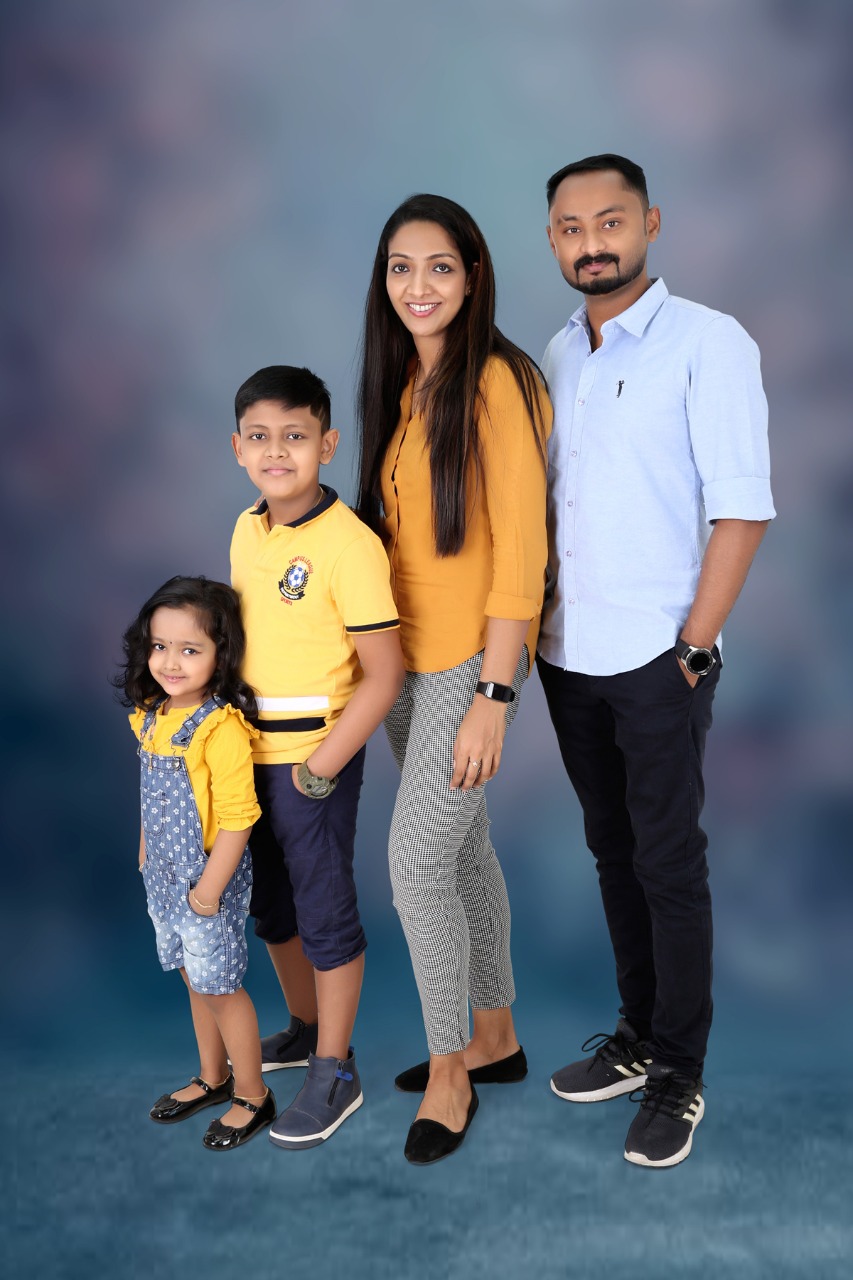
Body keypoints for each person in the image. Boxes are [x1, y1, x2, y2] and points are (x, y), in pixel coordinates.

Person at [537, 153, 775, 1168]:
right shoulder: (557, 354)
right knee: (611, 851)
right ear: (553, 241)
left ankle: (678, 1072)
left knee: (668, 863)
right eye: (571, 227)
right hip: (566, 653)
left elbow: (741, 507)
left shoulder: (708, 343)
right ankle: (636, 1034)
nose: (591, 242)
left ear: (649, 224)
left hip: (656, 657)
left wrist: (693, 648)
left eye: (610, 221)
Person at [356, 194, 552, 1164]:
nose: (418, 285)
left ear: (473, 276)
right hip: (405, 661)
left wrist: (493, 696)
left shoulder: (497, 382)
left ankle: (448, 1073)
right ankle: (495, 1036)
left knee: (415, 865)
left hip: (470, 663)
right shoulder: (407, 383)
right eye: (400, 267)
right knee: (464, 851)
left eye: (439, 266)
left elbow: (521, 550)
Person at [230, 364, 404, 1149]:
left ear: (326, 444)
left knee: (324, 912)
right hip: (246, 756)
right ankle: (304, 1028)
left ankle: (335, 1070)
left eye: (295, 436)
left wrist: (323, 765)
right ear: (238, 448)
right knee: (273, 908)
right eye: (260, 437)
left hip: (312, 762)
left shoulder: (350, 545)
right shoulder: (246, 529)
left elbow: (384, 675)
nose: (277, 452)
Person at [118, 575, 275, 1151]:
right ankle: (213, 1077)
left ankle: (253, 1094)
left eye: (190, 649)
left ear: (220, 654)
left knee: (222, 988)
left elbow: (239, 818)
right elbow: (152, 797)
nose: (170, 662)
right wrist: (145, 851)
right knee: (193, 979)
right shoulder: (152, 716)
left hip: (208, 882)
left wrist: (208, 891)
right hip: (163, 879)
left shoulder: (219, 729)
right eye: (160, 646)